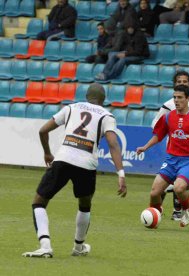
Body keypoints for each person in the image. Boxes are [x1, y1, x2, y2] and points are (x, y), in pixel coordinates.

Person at [22, 83, 127, 258]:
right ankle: (78, 247)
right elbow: (113, 144)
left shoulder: (71, 108)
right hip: (87, 164)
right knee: (85, 205)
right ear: (103, 100)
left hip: (63, 159)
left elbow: (43, 131)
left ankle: (45, 245)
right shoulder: (107, 115)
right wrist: (121, 174)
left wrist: (47, 153)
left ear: (86, 97)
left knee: (39, 201)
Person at [136, 85, 189, 227]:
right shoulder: (168, 116)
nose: (176, 100)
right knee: (154, 193)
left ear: (188, 99)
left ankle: (186, 209)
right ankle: (154, 217)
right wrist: (145, 147)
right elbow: (158, 135)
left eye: (180, 97)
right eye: (174, 97)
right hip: (171, 160)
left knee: (179, 188)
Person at [151, 71, 189, 221]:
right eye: (179, 81)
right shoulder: (168, 105)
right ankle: (174, 210)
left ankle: (179, 207)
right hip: (173, 147)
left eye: (185, 81)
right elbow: (156, 123)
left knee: (184, 185)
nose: (182, 83)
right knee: (172, 181)